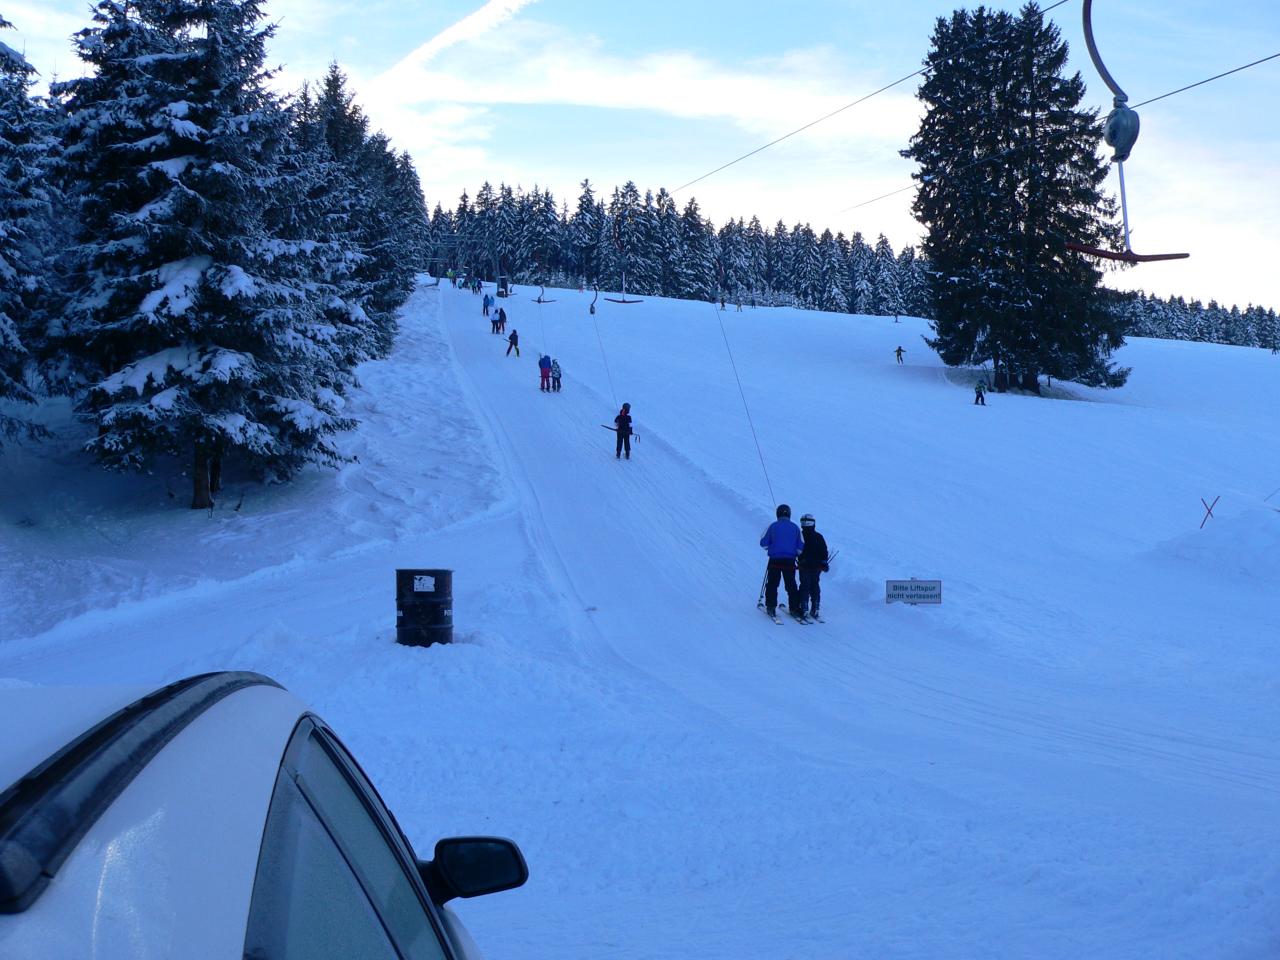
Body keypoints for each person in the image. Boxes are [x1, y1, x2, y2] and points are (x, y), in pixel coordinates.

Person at [759, 504, 804, 619]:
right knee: (791, 584)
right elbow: (801, 546)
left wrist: (772, 548)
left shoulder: (773, 526)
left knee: (773, 583)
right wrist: (793, 553)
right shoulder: (795, 528)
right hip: (789, 560)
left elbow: (763, 543)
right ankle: (794, 607)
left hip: (775, 560)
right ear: (789, 514)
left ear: (777, 514)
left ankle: (771, 606)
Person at [796, 513, 829, 621]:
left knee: (805, 585)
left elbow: (797, 550)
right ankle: (815, 607)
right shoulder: (819, 536)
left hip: (804, 566)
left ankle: (803, 606)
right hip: (817, 567)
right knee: (815, 585)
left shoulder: (800, 535)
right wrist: (824, 563)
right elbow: (824, 552)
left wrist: (798, 559)